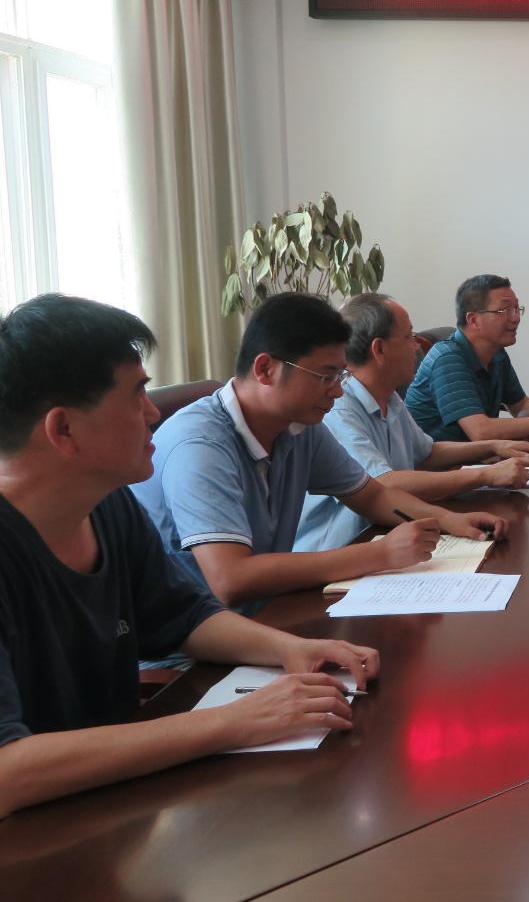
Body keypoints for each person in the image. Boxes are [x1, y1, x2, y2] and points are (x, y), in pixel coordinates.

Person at [0, 295, 378, 818]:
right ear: (64, 429)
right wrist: (235, 721)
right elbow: (7, 773)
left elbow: (184, 616)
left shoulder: (108, 505)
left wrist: (291, 648)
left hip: (114, 803)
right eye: (136, 395)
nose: (153, 413)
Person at [135, 293, 506, 611]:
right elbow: (230, 579)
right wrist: (379, 554)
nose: (338, 391)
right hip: (194, 650)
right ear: (266, 369)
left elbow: (372, 495)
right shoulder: (200, 445)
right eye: (325, 377)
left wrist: (450, 521)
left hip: (270, 611)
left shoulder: (300, 427)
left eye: (340, 375)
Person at [296, 293, 529, 552]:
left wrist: (494, 447)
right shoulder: (338, 408)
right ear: (379, 349)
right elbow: (382, 485)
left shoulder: (390, 397)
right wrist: (485, 475)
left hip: (392, 534)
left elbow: (426, 453)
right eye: (409, 336)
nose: (417, 346)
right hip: (342, 548)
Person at [405, 274, 529, 442]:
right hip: (439, 467)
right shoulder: (448, 359)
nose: (516, 318)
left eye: (517, 309)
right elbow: (481, 431)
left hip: (476, 458)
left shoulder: (496, 352)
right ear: (474, 320)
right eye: (505, 310)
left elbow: (522, 407)